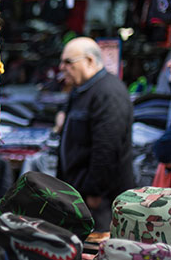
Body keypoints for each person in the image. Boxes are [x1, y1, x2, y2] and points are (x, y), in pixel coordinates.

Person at [57, 37, 134, 236]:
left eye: (68, 62)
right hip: (80, 197)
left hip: (99, 203)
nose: (62, 67)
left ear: (90, 61)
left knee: (95, 255)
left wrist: (94, 193)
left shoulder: (108, 92)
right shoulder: (83, 89)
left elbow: (107, 148)